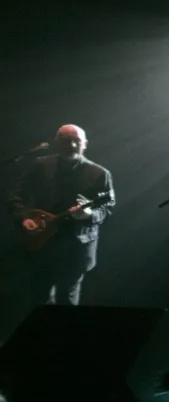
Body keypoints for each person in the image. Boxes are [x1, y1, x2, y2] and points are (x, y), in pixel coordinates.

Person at [8, 124, 115, 306]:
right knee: (39, 298)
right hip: (42, 242)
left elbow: (107, 207)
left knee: (68, 300)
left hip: (77, 245)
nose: (72, 145)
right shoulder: (41, 165)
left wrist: (88, 215)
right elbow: (16, 196)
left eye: (77, 141)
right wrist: (24, 218)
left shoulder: (99, 173)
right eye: (66, 141)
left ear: (85, 144)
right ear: (57, 142)